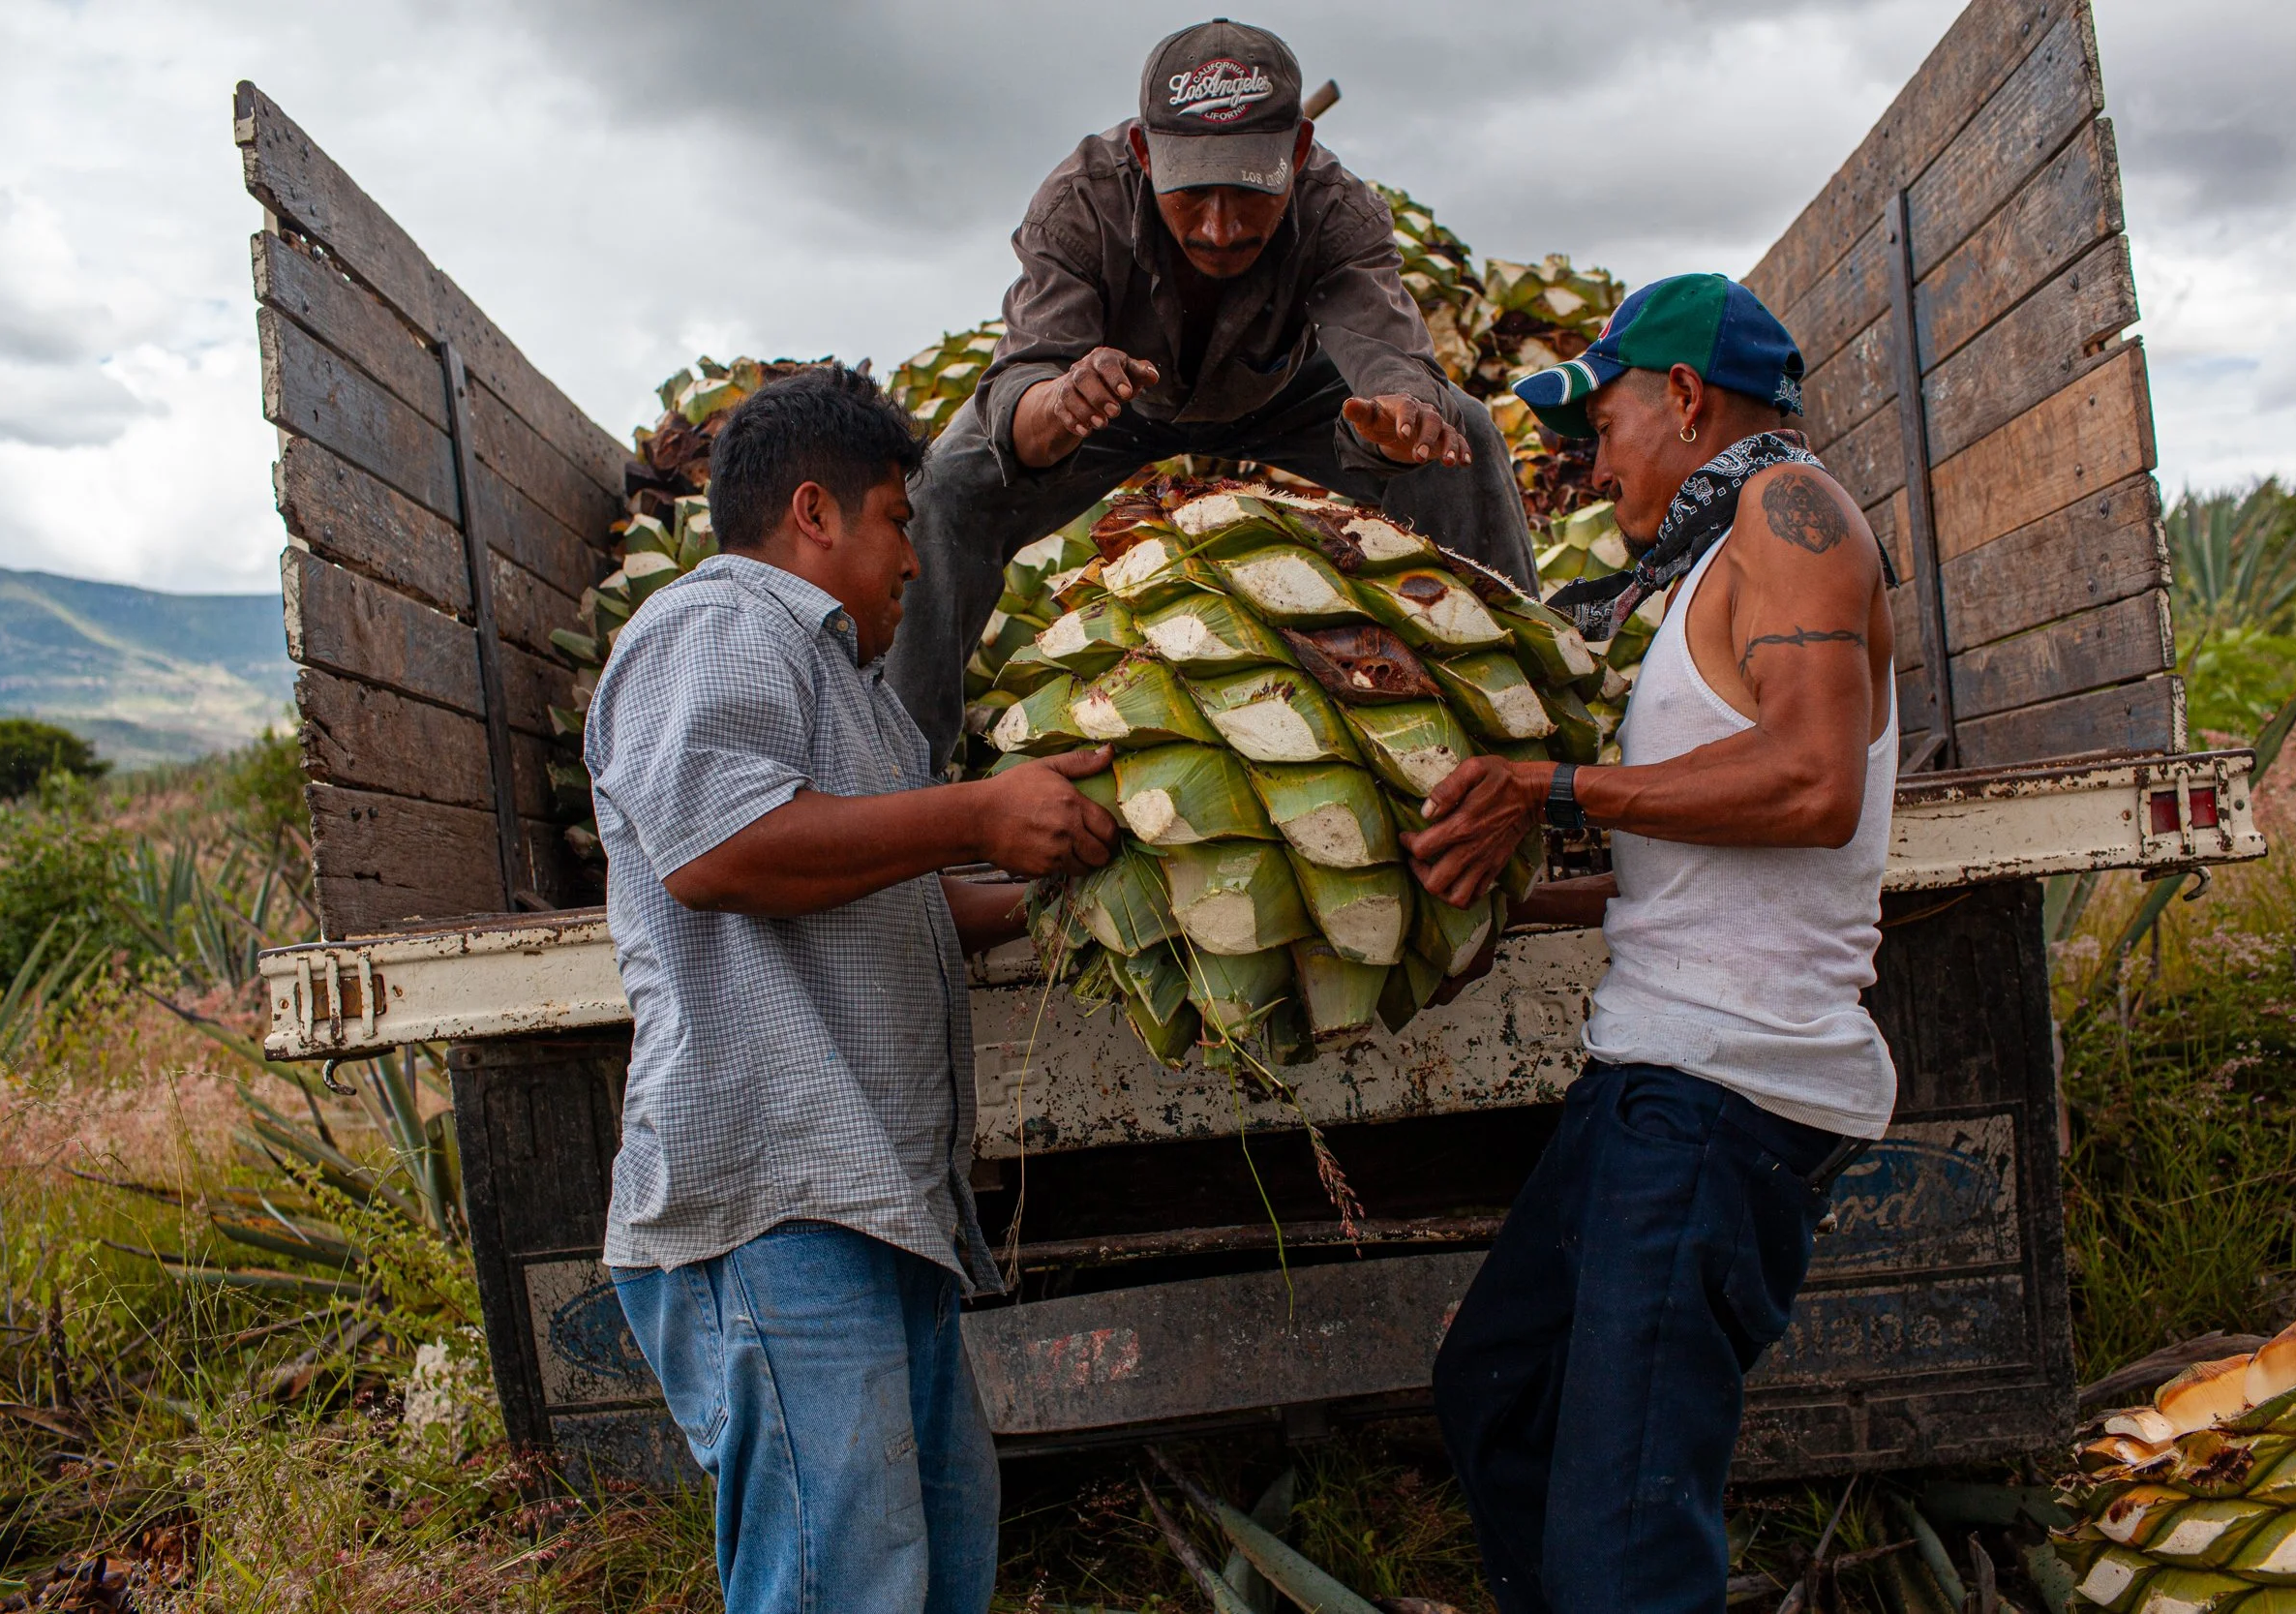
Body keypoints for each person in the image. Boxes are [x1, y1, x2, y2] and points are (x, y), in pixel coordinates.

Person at [583, 366, 1122, 1614]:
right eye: (897, 518)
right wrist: (979, 807)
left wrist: (1050, 896)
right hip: (776, 1208)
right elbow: (721, 850)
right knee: (846, 1585)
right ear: (814, 512)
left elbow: (894, 894)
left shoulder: (854, 698)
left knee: (929, 1569)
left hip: (872, 1205)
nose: (915, 562)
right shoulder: (720, 624)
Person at [1406, 275, 1899, 1614]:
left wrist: (1556, 791)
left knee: (1626, 1546)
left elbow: (1812, 782)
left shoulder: (1795, 517)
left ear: (1684, 396)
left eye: (1607, 413)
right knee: (1498, 1392)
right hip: (1652, 1072)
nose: (1591, 451)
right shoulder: (1700, 566)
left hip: (1725, 1087)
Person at [889, 17, 1539, 771]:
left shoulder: (1337, 210)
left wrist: (1397, 419)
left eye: (1252, 193)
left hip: (1290, 393)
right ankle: (904, 777)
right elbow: (1023, 399)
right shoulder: (1079, 204)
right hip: (1109, 399)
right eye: (1191, 194)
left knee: (1463, 436)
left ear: (1297, 153)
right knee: (944, 490)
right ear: (1142, 153)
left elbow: (1390, 360)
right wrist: (1061, 403)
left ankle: (1520, 743)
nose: (1221, 228)